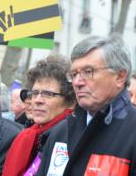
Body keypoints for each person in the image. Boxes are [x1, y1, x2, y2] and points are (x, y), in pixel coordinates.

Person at [37, 36, 136, 176]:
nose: (77, 82)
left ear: (120, 77)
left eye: (88, 72)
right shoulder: (60, 132)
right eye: (74, 74)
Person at [2, 55, 76, 176]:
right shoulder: (29, 135)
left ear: (70, 101)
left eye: (48, 94)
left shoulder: (70, 140)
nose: (37, 100)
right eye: (35, 93)